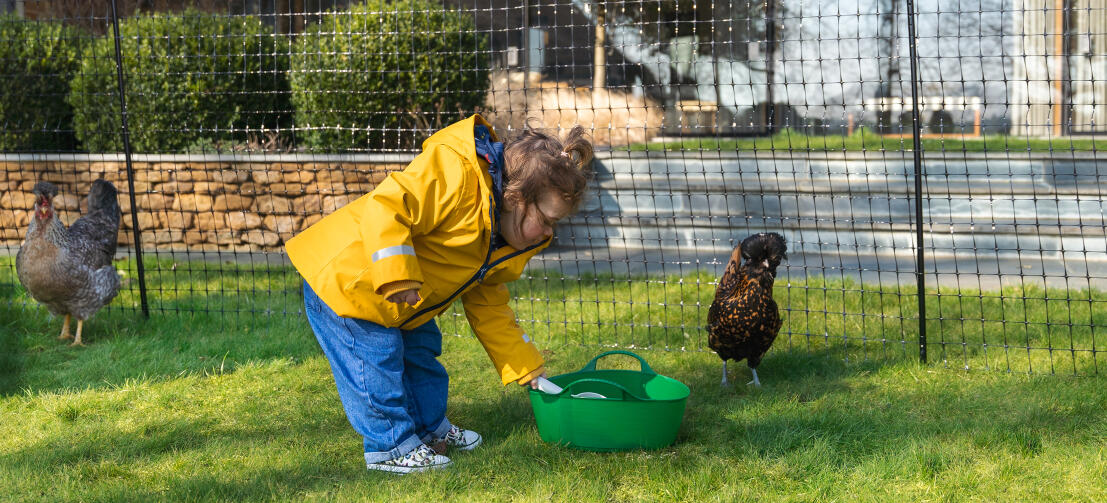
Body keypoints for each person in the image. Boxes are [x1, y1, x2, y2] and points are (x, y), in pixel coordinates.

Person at [285, 114, 593, 474]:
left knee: (422, 351)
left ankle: (430, 430)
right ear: (514, 198)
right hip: (348, 281)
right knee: (376, 359)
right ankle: (391, 447)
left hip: (409, 302)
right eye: (547, 219)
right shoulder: (456, 177)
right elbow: (387, 206)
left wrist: (529, 370)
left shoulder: (503, 239)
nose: (546, 234)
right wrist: (396, 273)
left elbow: (489, 303)